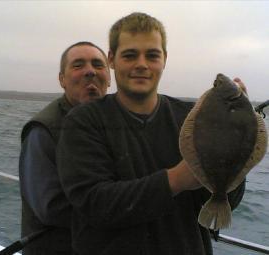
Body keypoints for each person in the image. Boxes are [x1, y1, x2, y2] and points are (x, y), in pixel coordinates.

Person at [56, 13, 245, 255]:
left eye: (152, 55)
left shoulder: (192, 118)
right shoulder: (82, 122)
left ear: (164, 59)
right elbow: (95, 204)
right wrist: (177, 179)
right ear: (112, 59)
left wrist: (236, 149)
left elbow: (220, 204)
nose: (142, 64)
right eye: (130, 55)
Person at [19, 41, 111, 255]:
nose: (90, 71)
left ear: (109, 77)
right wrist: (125, 211)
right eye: (78, 65)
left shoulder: (115, 124)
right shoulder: (43, 130)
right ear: (62, 79)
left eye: (98, 65)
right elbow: (51, 207)